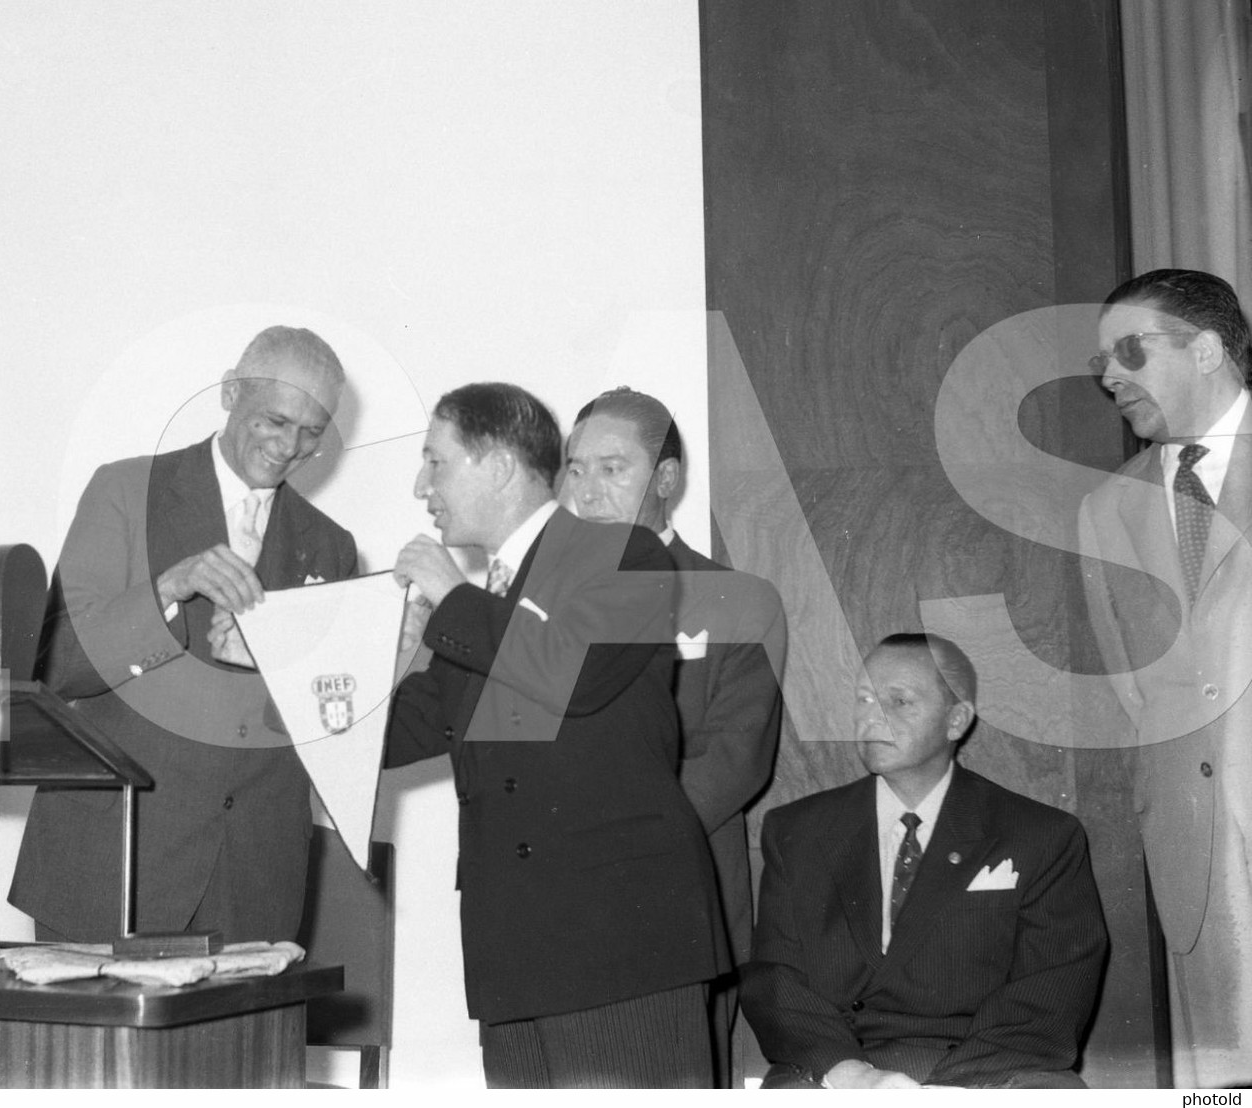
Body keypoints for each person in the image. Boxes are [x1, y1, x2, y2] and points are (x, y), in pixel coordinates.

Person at [386, 381, 725, 1088]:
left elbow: (572, 676)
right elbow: (407, 729)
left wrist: (453, 600)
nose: (422, 486)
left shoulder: (626, 554)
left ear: (501, 466)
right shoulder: (483, 602)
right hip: (512, 950)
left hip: (615, 945)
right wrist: (265, 664)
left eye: (436, 462)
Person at [9, 325, 358, 944]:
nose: (290, 447)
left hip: (252, 885)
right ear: (229, 393)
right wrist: (168, 589)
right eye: (275, 421)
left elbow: (326, 727)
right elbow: (57, 665)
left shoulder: (331, 545)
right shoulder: (123, 490)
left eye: (312, 432)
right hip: (111, 865)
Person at [740, 634, 1107, 1089]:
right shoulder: (798, 831)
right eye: (864, 699)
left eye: (899, 701)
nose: (873, 717)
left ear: (956, 720)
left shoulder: (1039, 835)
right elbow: (776, 981)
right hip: (839, 1070)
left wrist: (946, 1091)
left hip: (992, 1070)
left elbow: (1053, 990)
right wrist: (851, 1075)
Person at [560, 386, 785, 1086]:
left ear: (664, 480)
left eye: (610, 468)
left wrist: (619, 841)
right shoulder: (539, 600)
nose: (586, 491)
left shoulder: (735, 597)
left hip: (675, 896)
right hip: (554, 907)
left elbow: (735, 757)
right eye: (574, 468)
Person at [1079, 268, 1252, 1087]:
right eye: (1100, 362)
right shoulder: (1104, 512)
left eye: (1129, 349)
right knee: (1220, 1092)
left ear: (1208, 348)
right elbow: (1134, 694)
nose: (1108, 374)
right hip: (1196, 855)